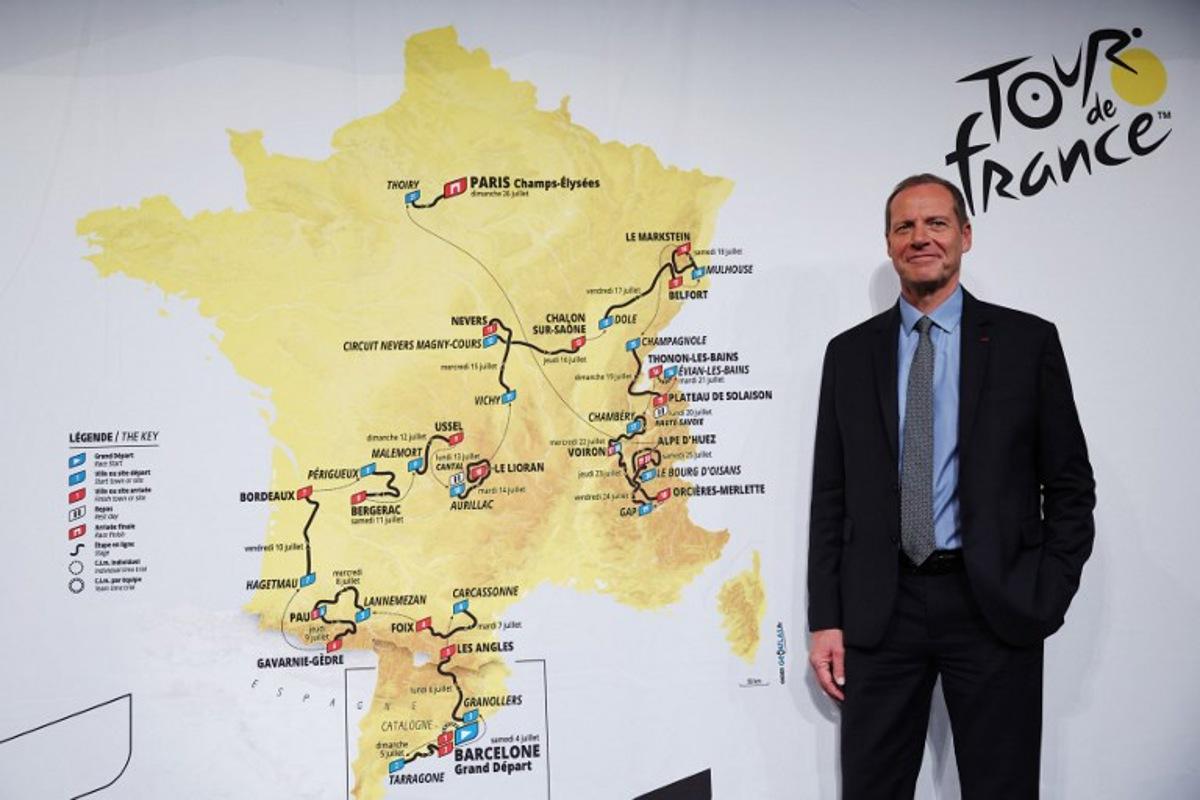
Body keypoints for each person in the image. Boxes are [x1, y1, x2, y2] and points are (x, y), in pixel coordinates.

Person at [806, 173, 1095, 798]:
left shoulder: (1027, 343)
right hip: (881, 610)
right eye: (905, 226)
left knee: (1002, 788)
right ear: (888, 244)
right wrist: (825, 618)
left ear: (964, 235)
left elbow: (1070, 484)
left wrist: (1045, 592)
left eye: (936, 223)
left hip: (992, 605)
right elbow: (830, 494)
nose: (920, 238)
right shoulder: (849, 355)